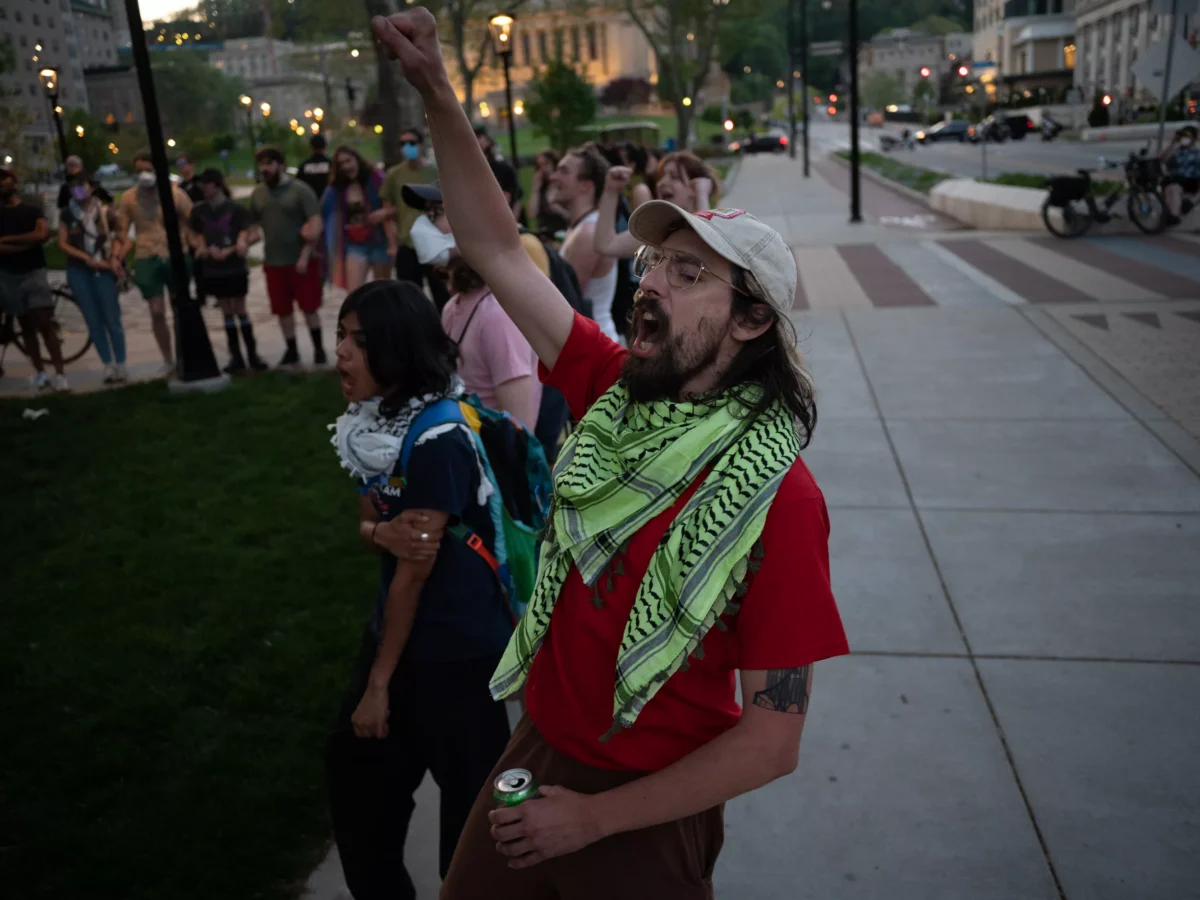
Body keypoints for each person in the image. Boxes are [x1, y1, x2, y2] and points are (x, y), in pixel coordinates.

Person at [372, 11, 849, 898]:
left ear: (752, 321)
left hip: (647, 806)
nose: (650, 283)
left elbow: (772, 739)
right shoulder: (615, 389)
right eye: (655, 262)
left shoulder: (778, 500)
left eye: (689, 274)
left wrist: (593, 819)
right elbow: (494, 248)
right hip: (538, 748)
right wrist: (438, 91)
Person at [326, 279, 514, 900]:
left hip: (457, 651)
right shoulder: (371, 423)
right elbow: (372, 528)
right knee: (358, 787)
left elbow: (416, 567)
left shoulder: (439, 437)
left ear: (398, 349)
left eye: (359, 341)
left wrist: (379, 684)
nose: (341, 352)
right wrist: (381, 533)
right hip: (403, 635)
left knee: (472, 821)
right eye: (341, 335)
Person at [401, 180, 544, 430]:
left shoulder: (498, 315)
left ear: (473, 222)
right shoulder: (454, 306)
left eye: (436, 212)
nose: (423, 224)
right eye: (425, 213)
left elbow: (519, 431)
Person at [247, 146, 326, 367]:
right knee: (282, 310)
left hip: (302, 260)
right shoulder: (258, 193)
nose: (264, 169)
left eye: (269, 163)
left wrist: (305, 256)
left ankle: (319, 349)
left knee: (309, 307)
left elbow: (315, 223)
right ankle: (291, 350)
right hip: (274, 261)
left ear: (281, 165)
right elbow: (252, 224)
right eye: (261, 164)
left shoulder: (300, 190)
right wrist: (246, 238)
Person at [115, 150, 193, 373]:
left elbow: (193, 219)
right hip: (146, 254)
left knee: (180, 307)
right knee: (156, 311)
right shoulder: (129, 198)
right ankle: (168, 359)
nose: (144, 175)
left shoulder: (174, 194)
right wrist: (118, 254)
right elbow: (122, 230)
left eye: (148, 170)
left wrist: (190, 240)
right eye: (139, 171)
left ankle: (185, 355)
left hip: (175, 253)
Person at [190, 168, 266, 374]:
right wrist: (202, 247)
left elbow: (252, 232)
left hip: (234, 265)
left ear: (217, 184)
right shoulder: (198, 210)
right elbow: (194, 234)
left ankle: (252, 354)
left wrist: (237, 246)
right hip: (213, 267)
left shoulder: (235, 208)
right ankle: (236, 357)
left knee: (240, 308)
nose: (203, 188)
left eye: (206, 184)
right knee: (226, 310)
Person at [0, 164, 68, 392]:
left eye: (5, 178)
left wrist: (7, 240)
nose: (1, 183)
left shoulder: (31, 209)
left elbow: (42, 234)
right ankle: (40, 372)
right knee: (26, 327)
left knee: (44, 323)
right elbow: (35, 238)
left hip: (34, 272)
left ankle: (60, 373)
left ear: (15, 182)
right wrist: (27, 242)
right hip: (8, 275)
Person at [57, 169, 127, 383]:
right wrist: (85, 258)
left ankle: (121, 363)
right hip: (79, 270)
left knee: (112, 318)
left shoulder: (104, 212)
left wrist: (114, 257)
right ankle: (107, 364)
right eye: (73, 187)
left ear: (92, 188)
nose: (77, 190)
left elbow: (119, 236)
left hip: (103, 268)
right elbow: (63, 243)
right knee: (93, 320)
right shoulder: (66, 214)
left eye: (82, 185)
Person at [549, 149, 619, 341]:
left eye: (564, 171)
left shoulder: (588, 234)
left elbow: (562, 299)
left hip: (596, 346)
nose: (553, 177)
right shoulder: (581, 227)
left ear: (586, 186)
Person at [594, 154, 718, 261]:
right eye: (661, 176)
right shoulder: (658, 230)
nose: (661, 183)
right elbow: (606, 245)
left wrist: (701, 196)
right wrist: (611, 189)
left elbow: (706, 253)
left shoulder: (719, 228)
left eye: (674, 176)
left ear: (695, 187)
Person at [375, 127, 445, 307]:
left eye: (412, 143)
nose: (407, 147)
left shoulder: (435, 172)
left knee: (441, 295)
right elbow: (388, 213)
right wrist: (392, 244)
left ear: (421, 145)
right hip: (407, 243)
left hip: (435, 242)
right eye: (403, 144)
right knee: (410, 299)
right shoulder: (394, 175)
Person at [321, 145, 394, 293]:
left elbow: (398, 205)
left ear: (357, 160)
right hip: (354, 244)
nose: (346, 166)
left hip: (380, 241)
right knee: (354, 293)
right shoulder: (336, 189)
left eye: (348, 160)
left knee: (383, 292)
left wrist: (384, 213)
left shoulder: (377, 179)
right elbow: (322, 211)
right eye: (341, 164)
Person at [475, 124, 521, 221]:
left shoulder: (503, 169)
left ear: (487, 141)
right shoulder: (467, 172)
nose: (475, 141)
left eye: (478, 137)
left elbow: (516, 199)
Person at [1160, 124, 1200, 226]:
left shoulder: (1197, 153)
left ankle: (1190, 202)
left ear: (1194, 139)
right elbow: (1162, 160)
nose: (1185, 139)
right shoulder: (1175, 150)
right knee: (1173, 189)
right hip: (1177, 180)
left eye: (1188, 137)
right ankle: (1173, 216)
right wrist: (1173, 143)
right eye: (1183, 136)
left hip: (1193, 180)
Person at [526, 150, 569, 239]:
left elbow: (573, 217)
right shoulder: (541, 188)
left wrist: (558, 209)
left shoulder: (565, 186)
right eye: (539, 166)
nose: (543, 169)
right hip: (544, 235)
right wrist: (535, 189)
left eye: (546, 164)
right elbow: (531, 215)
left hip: (563, 234)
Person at [297, 134, 334, 200]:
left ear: (311, 147)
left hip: (308, 200)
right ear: (325, 146)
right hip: (328, 200)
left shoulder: (304, 165)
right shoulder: (331, 164)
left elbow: (298, 185)